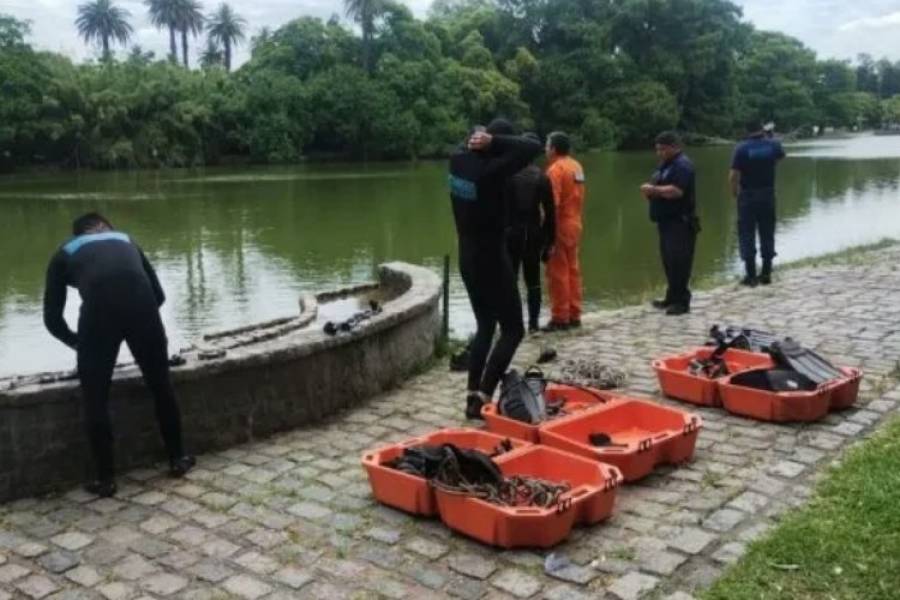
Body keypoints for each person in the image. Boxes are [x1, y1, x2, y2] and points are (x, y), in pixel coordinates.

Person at [43, 213, 195, 497]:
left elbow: (52, 319)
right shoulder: (127, 240)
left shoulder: (64, 252)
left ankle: (106, 480)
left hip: (98, 317)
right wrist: (136, 323)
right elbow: (158, 295)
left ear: (79, 234)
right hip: (142, 309)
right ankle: (178, 459)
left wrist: (80, 344)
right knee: (161, 385)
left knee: (95, 397)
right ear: (106, 227)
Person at [450, 119, 543, 419]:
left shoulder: (457, 163)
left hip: (467, 254)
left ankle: (471, 396)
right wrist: (496, 141)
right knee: (513, 329)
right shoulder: (491, 172)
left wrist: (485, 141)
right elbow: (532, 146)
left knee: (486, 326)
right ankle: (483, 395)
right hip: (491, 254)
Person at [640, 131, 699, 316]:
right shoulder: (667, 164)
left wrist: (653, 190)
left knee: (680, 263)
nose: (660, 153)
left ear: (675, 147)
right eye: (657, 149)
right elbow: (662, 186)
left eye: (663, 149)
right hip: (666, 222)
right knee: (669, 262)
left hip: (680, 223)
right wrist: (651, 192)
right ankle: (671, 297)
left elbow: (676, 191)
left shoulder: (683, 165)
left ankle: (682, 302)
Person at [505, 133, 556, 334]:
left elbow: (500, 209)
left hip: (511, 233)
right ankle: (533, 324)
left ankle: (511, 322)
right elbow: (551, 213)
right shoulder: (542, 177)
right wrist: (549, 240)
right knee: (533, 280)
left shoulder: (507, 175)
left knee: (510, 279)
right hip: (533, 234)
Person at [730, 120, 785, 286]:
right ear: (762, 129)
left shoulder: (741, 148)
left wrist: (734, 193)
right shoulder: (774, 144)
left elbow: (733, 176)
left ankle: (751, 276)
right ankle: (766, 273)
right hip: (767, 194)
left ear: (746, 131)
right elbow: (780, 158)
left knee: (747, 234)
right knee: (767, 232)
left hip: (747, 195)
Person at [542, 132, 586, 331]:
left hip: (559, 225)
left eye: (547, 145)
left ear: (553, 149)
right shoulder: (576, 166)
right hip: (575, 222)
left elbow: (552, 204)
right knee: (573, 270)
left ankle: (560, 317)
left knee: (557, 272)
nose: (545, 149)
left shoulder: (555, 170)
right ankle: (575, 313)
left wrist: (545, 230)